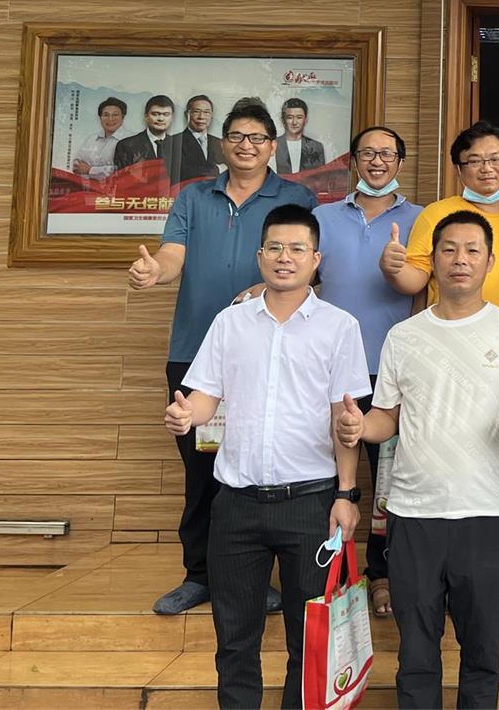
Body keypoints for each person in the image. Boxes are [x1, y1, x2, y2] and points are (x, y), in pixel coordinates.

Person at [339, 209, 499, 709]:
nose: (460, 260)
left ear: (490, 261)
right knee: (415, 654)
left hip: (485, 512)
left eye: (473, 250)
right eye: (449, 249)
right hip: (414, 514)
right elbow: (386, 417)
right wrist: (360, 427)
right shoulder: (404, 336)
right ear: (431, 260)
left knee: (483, 654)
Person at [163, 203, 369, 710]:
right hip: (236, 504)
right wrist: (188, 414)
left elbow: (343, 419)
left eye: (297, 248)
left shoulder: (340, 327)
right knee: (235, 639)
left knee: (308, 637)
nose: (284, 257)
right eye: (274, 247)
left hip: (311, 503)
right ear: (259, 256)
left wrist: (346, 494)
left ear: (315, 259)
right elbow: (206, 396)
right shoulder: (230, 323)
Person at [129, 99, 317, 615]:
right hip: (195, 353)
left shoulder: (297, 197)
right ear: (222, 143)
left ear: (272, 147)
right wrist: (155, 272)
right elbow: (173, 254)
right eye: (236, 136)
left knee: (258, 470)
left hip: (268, 355)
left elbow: (307, 264)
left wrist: (264, 287)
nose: (246, 145)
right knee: (202, 470)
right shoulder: (194, 197)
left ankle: (253, 579)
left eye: (257, 138)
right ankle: (200, 576)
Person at [381, 120, 499, 593]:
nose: (486, 168)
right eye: (474, 161)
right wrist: (391, 268)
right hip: (447, 346)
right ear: (458, 169)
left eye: (495, 159)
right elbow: (415, 279)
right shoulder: (438, 214)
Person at [314, 125, 423, 616]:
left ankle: (382, 574)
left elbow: (424, 294)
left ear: (400, 161)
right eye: (368, 153)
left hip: (392, 370)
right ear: (353, 160)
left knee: (389, 483)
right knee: (325, 473)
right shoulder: (322, 218)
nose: (377, 161)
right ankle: (325, 570)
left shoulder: (421, 219)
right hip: (329, 370)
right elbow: (303, 282)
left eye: (387, 154)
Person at [113, 94, 176, 172]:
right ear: (146, 116)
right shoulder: (126, 146)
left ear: (172, 117)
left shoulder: (177, 145)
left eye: (166, 114)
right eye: (155, 114)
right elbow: (121, 178)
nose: (160, 119)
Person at [169, 94, 223, 184]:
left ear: (211, 116)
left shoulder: (219, 143)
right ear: (187, 114)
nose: (201, 117)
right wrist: (219, 169)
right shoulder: (174, 142)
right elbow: (184, 173)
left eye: (206, 112)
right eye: (196, 112)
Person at [71, 96, 126, 180]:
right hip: (87, 186)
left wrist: (90, 170)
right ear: (100, 118)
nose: (110, 119)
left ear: (123, 117)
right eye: (106, 115)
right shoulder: (91, 139)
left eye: (115, 115)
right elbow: (76, 165)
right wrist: (102, 171)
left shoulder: (131, 140)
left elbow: (124, 171)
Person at [275, 97, 326, 175]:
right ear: (283, 120)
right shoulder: (273, 144)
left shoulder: (316, 147)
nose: (294, 122)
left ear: (305, 120)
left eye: (299, 117)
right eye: (290, 117)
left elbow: (321, 177)